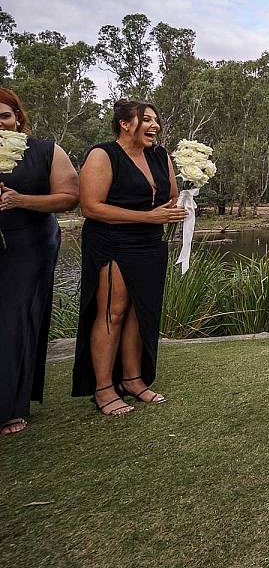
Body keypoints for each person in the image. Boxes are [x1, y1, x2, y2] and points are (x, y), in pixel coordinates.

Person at [73, 100, 187, 416]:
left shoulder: (160, 156)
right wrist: (147, 217)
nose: (155, 126)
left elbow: (172, 196)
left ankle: (133, 380)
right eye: (146, 120)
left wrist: (181, 204)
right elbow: (91, 207)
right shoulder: (103, 155)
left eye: (156, 120)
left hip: (150, 243)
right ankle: (103, 389)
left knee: (139, 310)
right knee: (113, 311)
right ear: (125, 123)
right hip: (113, 242)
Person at [0, 88, 79, 436]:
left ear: (18, 117)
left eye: (4, 115)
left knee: (15, 320)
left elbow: (69, 197)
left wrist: (20, 200)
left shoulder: (47, 151)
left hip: (29, 243)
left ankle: (9, 406)